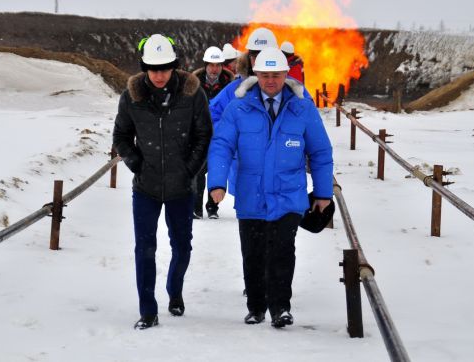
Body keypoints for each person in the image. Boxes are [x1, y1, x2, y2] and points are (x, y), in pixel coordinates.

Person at [207, 47, 333, 328]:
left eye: (276, 75)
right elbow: (221, 146)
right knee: (252, 252)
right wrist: (216, 182)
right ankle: (256, 307)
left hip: (289, 194)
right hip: (251, 193)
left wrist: (323, 193)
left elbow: (321, 152)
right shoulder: (238, 107)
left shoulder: (302, 108)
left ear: (286, 74)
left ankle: (280, 308)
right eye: (265, 75)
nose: (271, 81)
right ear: (256, 74)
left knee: (282, 251)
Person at [113, 34, 212, 330]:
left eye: (165, 68)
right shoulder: (132, 96)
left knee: (182, 246)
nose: (159, 75)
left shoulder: (192, 94)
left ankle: (174, 289)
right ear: (145, 68)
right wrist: (137, 164)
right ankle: (148, 310)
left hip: (181, 187)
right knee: (144, 248)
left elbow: (204, 135)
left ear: (174, 66)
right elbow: (121, 136)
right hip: (146, 187)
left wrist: (189, 170)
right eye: (153, 69)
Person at [191, 46, 233, 219]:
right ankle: (196, 208)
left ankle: (212, 207)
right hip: (198, 133)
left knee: (217, 168)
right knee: (198, 171)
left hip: (220, 133)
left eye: (218, 65)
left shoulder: (229, 85)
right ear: (206, 65)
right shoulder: (193, 83)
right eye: (211, 65)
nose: (214, 69)